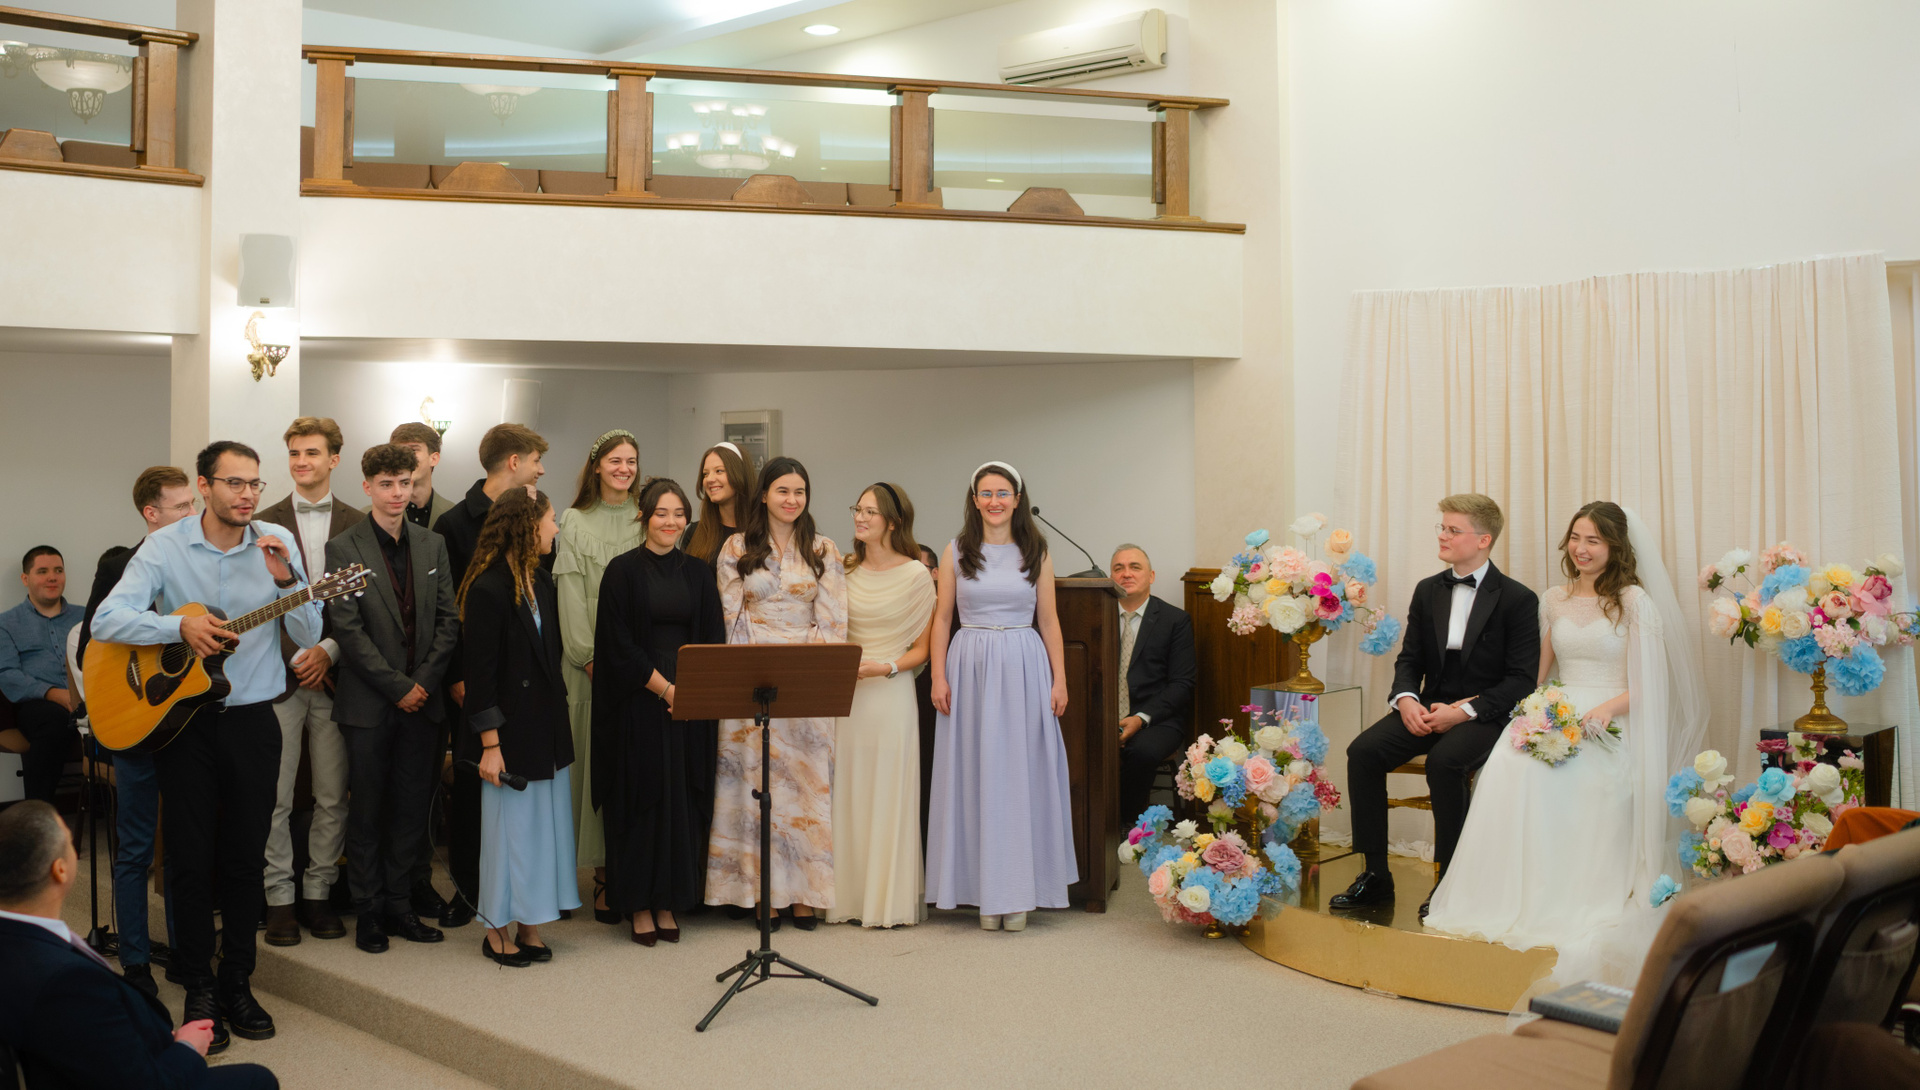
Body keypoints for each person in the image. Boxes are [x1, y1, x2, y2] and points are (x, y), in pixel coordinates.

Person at [93, 441, 323, 1051]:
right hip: (184, 726)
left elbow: (309, 632)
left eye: (254, 484)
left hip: (253, 722)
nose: (247, 495)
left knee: (247, 857)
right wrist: (178, 625)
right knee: (190, 860)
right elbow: (107, 620)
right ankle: (198, 986)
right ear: (204, 486)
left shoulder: (276, 540)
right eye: (234, 483)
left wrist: (288, 580)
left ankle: (237, 981)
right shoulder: (164, 546)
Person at [1425, 502, 1707, 989]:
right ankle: (1505, 894)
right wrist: (1522, 710)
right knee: (1508, 765)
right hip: (1556, 710)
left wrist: (1606, 710)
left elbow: (1648, 685)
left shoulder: (1634, 601)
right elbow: (1534, 676)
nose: (1581, 548)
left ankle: (1569, 896)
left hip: (1611, 718)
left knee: (1578, 778)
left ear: (1614, 546)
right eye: (1576, 538)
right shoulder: (1554, 599)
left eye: (1593, 540)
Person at [1333, 494, 1540, 918]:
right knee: (1363, 752)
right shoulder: (1428, 590)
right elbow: (1410, 659)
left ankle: (1450, 883)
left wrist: (1463, 712)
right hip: (1426, 706)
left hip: (1484, 714)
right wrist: (1406, 699)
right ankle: (1375, 875)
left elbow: (1521, 680)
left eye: (1453, 529)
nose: (1443, 536)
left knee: (1445, 763)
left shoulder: (1518, 599)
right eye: (1441, 527)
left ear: (1483, 539)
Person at [0, 801, 278, 1085]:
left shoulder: (17, 941)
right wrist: (187, 1047)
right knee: (258, 1079)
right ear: (59, 870)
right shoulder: (69, 979)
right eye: (69, 843)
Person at [925, 462, 1078, 932]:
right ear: (975, 501)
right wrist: (937, 676)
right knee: (975, 773)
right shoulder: (956, 550)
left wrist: (1059, 679)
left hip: (1023, 665)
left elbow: (1049, 620)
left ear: (1017, 499)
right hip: (969, 666)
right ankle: (981, 893)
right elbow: (942, 619)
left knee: (1019, 775)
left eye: (1003, 493)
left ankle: (1018, 893)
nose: (995, 501)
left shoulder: (1037, 550)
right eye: (986, 493)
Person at [326, 444, 461, 955]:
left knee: (412, 810)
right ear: (367, 487)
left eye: (405, 483)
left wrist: (421, 681)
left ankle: (401, 906)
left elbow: (448, 620)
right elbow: (348, 631)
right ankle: (368, 911)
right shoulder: (343, 547)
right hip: (369, 704)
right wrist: (397, 686)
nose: (397, 493)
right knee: (368, 812)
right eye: (386, 484)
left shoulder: (433, 543)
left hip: (424, 701)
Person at [707, 455, 847, 930]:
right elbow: (730, 618)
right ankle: (760, 893)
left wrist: (808, 670)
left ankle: (804, 893)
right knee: (756, 787)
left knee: (805, 790)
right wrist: (757, 667)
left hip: (806, 675)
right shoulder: (736, 547)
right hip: (752, 673)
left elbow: (833, 621)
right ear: (764, 494)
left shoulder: (824, 548)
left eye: (799, 492)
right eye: (783, 490)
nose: (791, 499)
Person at [78, 466, 195, 997]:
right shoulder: (119, 565)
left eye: (193, 504)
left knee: (186, 847)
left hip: (187, 720)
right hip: (134, 719)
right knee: (134, 848)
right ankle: (136, 963)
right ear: (152, 513)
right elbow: (93, 644)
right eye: (181, 506)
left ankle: (187, 953)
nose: (192, 514)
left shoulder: (201, 564)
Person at [592, 478, 725, 945]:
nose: (671, 522)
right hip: (639, 700)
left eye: (678, 514)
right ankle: (638, 904)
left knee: (680, 801)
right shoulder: (621, 571)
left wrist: (691, 692)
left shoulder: (699, 573)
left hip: (690, 701)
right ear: (644, 517)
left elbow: (713, 638)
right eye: (661, 513)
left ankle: (668, 899)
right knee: (641, 798)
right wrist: (667, 690)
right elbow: (618, 645)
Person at [427, 421, 548, 929]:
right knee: (473, 789)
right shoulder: (454, 524)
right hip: (469, 678)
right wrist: (458, 675)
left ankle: (519, 893)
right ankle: (468, 890)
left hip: (518, 682)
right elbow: (448, 608)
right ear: (514, 462)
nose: (542, 470)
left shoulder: (535, 516)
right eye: (536, 460)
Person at [459, 489, 578, 967]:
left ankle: (529, 924)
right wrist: (490, 745)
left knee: (541, 835)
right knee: (508, 837)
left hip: (545, 728)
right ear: (528, 528)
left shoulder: (541, 581)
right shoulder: (488, 589)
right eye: (551, 520)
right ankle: (495, 929)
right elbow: (480, 677)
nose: (555, 528)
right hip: (506, 737)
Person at [254, 416, 360, 948]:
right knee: (274, 796)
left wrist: (328, 651)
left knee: (332, 795)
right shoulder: (260, 524)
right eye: (294, 453)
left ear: (334, 459)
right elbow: (255, 602)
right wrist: (299, 655)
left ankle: (319, 893)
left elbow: (367, 606)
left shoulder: (359, 522)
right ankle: (278, 898)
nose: (301, 462)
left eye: (312, 452)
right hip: (279, 676)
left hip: (337, 676)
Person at [828, 483, 936, 928]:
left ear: (893, 521)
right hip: (847, 694)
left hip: (890, 693)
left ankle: (886, 902)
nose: (860, 517)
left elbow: (922, 650)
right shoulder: (843, 568)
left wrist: (885, 667)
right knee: (848, 791)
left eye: (870, 511)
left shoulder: (916, 574)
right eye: (858, 508)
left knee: (888, 792)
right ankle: (846, 897)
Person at [555, 428, 642, 923]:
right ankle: (581, 875)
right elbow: (570, 594)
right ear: (596, 466)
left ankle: (619, 873)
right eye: (615, 461)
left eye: (631, 461)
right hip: (587, 670)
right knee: (585, 771)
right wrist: (589, 658)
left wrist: (634, 665)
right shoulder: (573, 520)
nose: (624, 469)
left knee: (629, 770)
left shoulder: (646, 517)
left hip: (635, 671)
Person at [1109, 544, 1197, 827]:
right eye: (1119, 568)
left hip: (1157, 719)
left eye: (1135, 567)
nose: (1126, 574)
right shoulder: (1097, 616)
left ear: (1151, 576)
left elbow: (1182, 684)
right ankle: (1086, 826)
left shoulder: (1174, 620)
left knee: (1142, 751)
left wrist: (1139, 719)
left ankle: (1125, 827)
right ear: (1110, 578)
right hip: (1106, 714)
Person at [0, 546, 82, 803]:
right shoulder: (6, 623)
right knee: (54, 722)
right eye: (43, 571)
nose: (52, 577)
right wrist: (54, 694)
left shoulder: (87, 617)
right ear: (25, 579)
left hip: (90, 697)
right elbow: (6, 674)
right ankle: (38, 810)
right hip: (36, 705)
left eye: (58, 570)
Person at [680, 441, 753, 568]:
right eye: (705, 474)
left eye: (719, 471)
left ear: (739, 474)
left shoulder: (762, 531)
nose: (709, 479)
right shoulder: (695, 533)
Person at [389, 422, 455, 532]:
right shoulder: (371, 516)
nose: (405, 458)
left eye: (413, 450)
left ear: (434, 459)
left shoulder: (454, 514)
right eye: (399, 451)